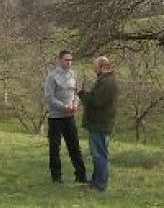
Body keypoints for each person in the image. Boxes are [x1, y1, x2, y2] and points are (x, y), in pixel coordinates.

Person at [43, 49, 87, 184]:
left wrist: (75, 104)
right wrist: (65, 107)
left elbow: (75, 93)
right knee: (55, 148)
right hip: (56, 117)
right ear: (60, 60)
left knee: (74, 146)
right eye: (66, 60)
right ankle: (56, 177)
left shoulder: (73, 75)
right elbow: (49, 97)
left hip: (69, 117)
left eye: (70, 60)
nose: (69, 63)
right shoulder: (52, 76)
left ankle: (81, 175)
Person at [78, 55, 119, 192]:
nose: (94, 69)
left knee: (100, 155)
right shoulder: (105, 80)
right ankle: (96, 182)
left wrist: (82, 94)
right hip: (99, 123)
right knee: (98, 155)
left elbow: (96, 102)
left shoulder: (107, 82)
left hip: (100, 124)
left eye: (96, 67)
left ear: (102, 67)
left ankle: (100, 185)